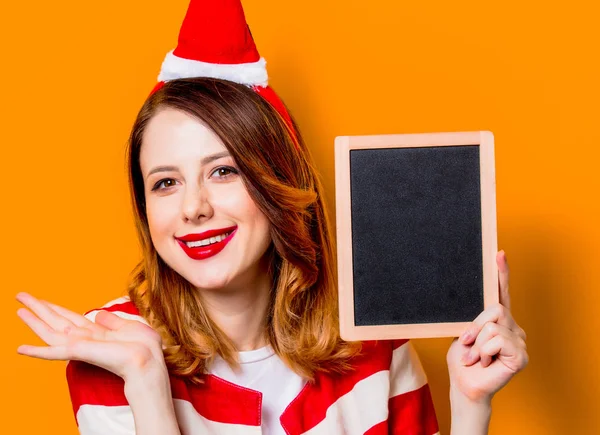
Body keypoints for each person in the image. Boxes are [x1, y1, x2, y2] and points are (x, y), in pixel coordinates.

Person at [15, 1, 528, 434]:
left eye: (223, 171)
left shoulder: (375, 341)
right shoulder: (116, 351)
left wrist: (470, 404)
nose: (193, 207)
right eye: (165, 183)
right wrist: (148, 389)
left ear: (277, 182)